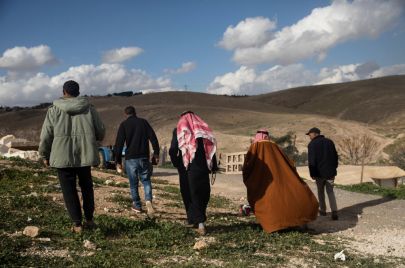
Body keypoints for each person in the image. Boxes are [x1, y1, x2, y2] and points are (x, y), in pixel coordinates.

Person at [39, 80, 105, 233]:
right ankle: (89, 219)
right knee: (87, 187)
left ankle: (77, 224)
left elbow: (46, 134)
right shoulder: (89, 108)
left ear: (64, 92)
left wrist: (44, 154)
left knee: (69, 190)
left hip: (62, 157)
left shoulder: (54, 110)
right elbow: (101, 131)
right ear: (78, 92)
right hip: (85, 154)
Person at [242, 129, 318, 233]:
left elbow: (248, 165)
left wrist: (250, 178)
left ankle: (273, 225)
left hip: (263, 181)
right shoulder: (275, 146)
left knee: (267, 202)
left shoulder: (255, 146)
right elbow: (288, 162)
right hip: (279, 179)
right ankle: (292, 222)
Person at [169, 111, 218, 236]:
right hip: (202, 167)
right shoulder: (202, 131)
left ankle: (199, 222)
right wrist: (213, 166)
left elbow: (173, 149)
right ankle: (194, 219)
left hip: (186, 168)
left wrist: (177, 164)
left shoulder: (179, 130)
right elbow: (211, 149)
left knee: (189, 193)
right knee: (202, 192)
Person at [115, 106, 159, 217]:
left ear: (125, 114)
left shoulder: (124, 125)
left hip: (130, 159)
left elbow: (119, 144)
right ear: (135, 113)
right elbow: (153, 138)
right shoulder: (143, 122)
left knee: (133, 183)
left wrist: (118, 161)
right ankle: (148, 200)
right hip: (144, 157)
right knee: (146, 180)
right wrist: (156, 153)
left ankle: (137, 205)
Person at [306, 127, 339, 220]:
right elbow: (335, 156)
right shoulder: (329, 142)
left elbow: (311, 161)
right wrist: (334, 168)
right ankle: (334, 211)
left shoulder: (312, 144)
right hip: (330, 172)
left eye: (310, 134)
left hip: (319, 173)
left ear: (315, 134)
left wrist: (312, 173)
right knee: (330, 192)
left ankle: (323, 211)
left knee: (320, 192)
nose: (309, 136)